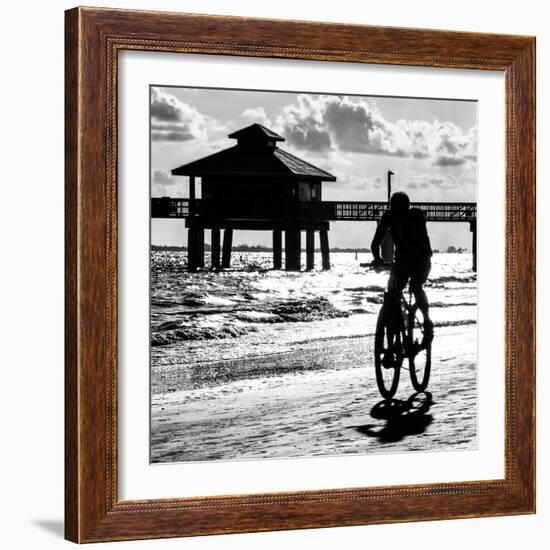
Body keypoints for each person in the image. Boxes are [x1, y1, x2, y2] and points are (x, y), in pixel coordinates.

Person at [370, 191, 434, 346]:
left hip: (422, 259)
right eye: (395, 209)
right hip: (402, 261)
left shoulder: (417, 216)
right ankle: (391, 341)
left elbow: (421, 243)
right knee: (392, 292)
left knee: (416, 286)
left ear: (408, 208)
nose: (398, 214)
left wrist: (409, 260)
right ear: (391, 208)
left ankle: (427, 322)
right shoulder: (388, 217)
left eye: (401, 210)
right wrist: (377, 258)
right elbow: (375, 242)